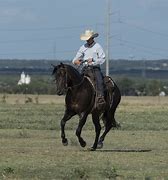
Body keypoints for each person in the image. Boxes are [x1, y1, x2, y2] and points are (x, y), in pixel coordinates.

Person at [72, 29, 106, 107]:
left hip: (95, 69)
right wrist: (76, 61)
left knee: (99, 81)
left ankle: (100, 97)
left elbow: (102, 58)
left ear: (92, 38)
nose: (87, 40)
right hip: (84, 69)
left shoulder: (98, 46)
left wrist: (93, 61)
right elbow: (75, 59)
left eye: (88, 38)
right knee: (76, 81)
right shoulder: (83, 47)